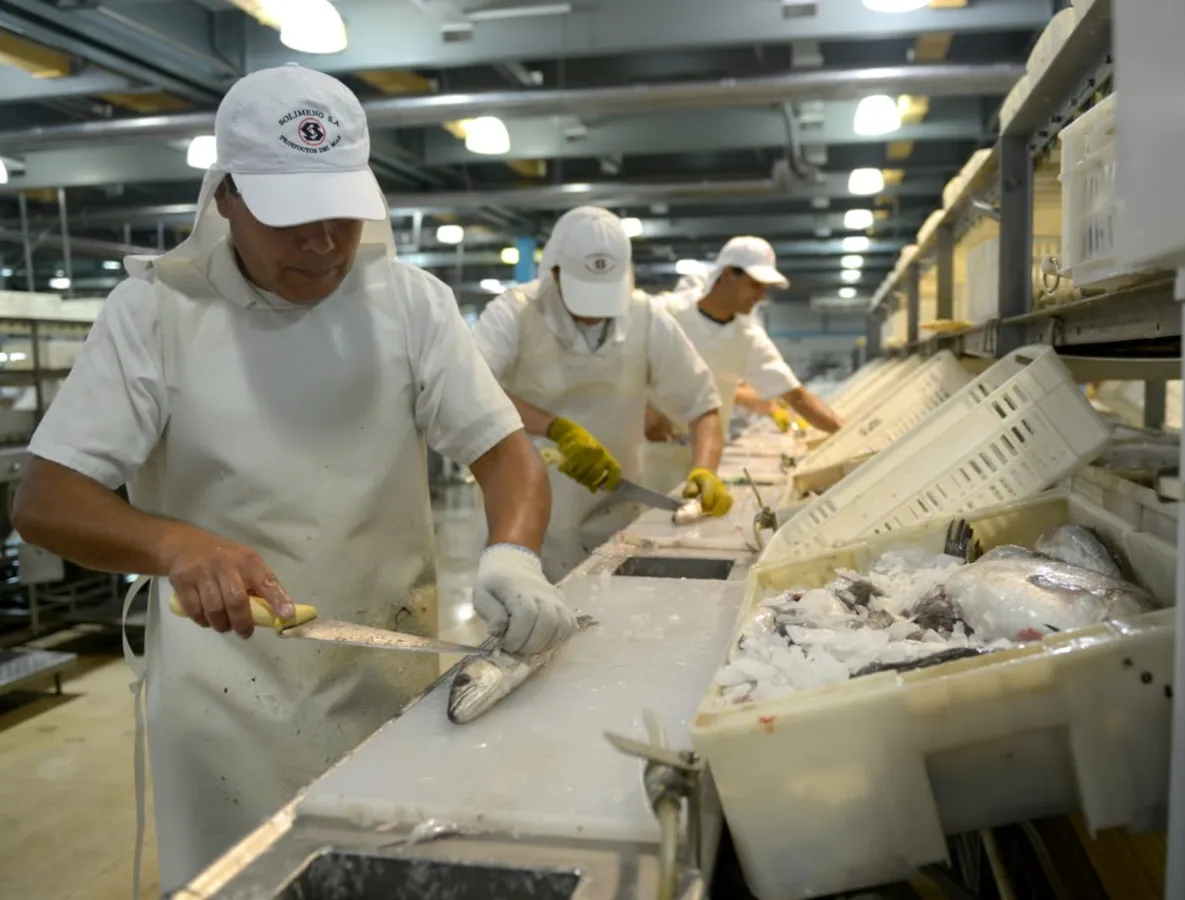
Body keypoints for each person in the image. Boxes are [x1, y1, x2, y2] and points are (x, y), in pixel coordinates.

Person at [10, 65, 574, 894]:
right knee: (250, 881)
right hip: (225, 699)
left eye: (343, 213)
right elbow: (45, 499)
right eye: (291, 217)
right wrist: (171, 543)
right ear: (226, 198)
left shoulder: (409, 303)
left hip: (388, 671)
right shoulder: (156, 313)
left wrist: (513, 555)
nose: (322, 241)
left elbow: (502, 451)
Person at [472, 206, 730, 583]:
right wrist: (556, 429)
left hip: (615, 519)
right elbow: (471, 387)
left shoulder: (647, 317)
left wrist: (705, 467)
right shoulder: (515, 312)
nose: (593, 314)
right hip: (521, 523)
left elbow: (702, 403)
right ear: (555, 270)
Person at [643, 236, 846, 490]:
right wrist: (645, 414)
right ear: (729, 274)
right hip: (645, 455)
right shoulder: (664, 313)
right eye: (755, 285)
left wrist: (850, 434)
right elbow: (617, 369)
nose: (761, 296)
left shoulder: (747, 337)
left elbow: (797, 397)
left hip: (702, 459)